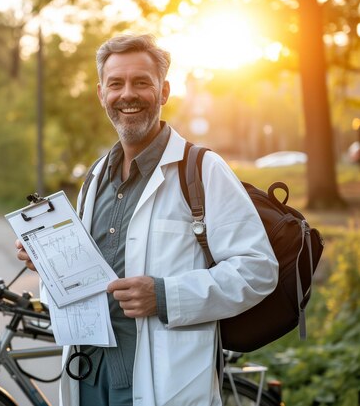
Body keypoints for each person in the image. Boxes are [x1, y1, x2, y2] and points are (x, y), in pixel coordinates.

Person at [15, 33, 278, 406]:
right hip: (89, 374)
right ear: (101, 93)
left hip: (166, 382)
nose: (128, 95)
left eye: (142, 82)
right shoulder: (94, 178)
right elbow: (88, 279)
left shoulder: (201, 169)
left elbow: (258, 269)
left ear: (164, 91)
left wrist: (165, 296)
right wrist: (46, 261)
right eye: (116, 84)